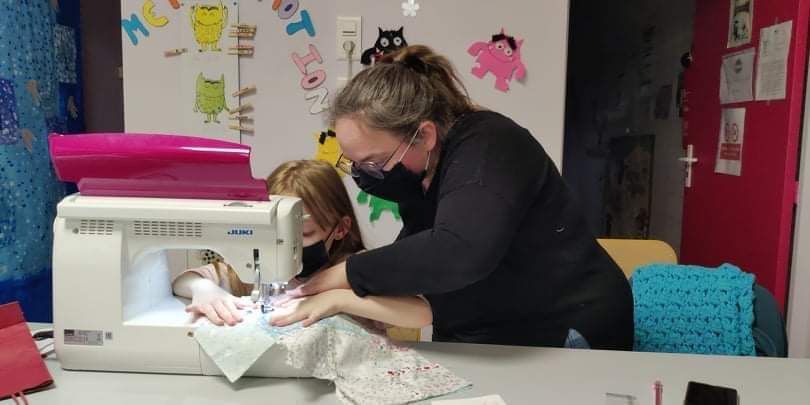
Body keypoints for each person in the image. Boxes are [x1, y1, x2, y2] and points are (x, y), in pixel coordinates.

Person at [284, 45, 635, 350]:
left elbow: (459, 250)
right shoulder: (419, 174)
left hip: (564, 323)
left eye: (374, 162)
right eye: (355, 164)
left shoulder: (490, 147)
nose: (364, 174)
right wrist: (357, 295)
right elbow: (421, 262)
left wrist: (346, 274)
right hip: (490, 324)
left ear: (424, 135)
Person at [172, 160, 432, 329]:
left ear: (340, 229)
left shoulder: (358, 269)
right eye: (275, 236)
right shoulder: (250, 267)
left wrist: (339, 300)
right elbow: (183, 281)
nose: (285, 247)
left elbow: (421, 313)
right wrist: (203, 288)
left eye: (304, 235)